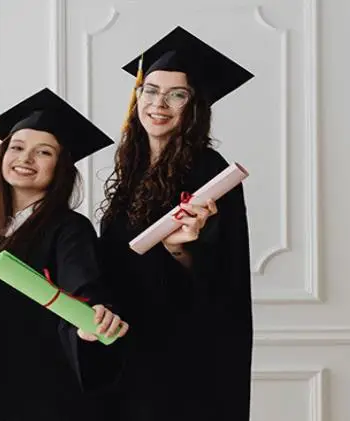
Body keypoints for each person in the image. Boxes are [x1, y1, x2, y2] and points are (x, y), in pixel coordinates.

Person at [98, 26, 254, 420]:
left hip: (177, 351)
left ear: (195, 105)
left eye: (176, 94)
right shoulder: (131, 167)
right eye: (150, 90)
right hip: (127, 343)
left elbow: (220, 275)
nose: (158, 103)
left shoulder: (207, 169)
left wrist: (179, 247)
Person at [0, 88, 129, 421]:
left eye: (43, 152)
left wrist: (90, 325)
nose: (25, 159)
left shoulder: (69, 229)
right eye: (16, 148)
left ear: (61, 167)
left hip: (39, 396)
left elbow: (85, 292)